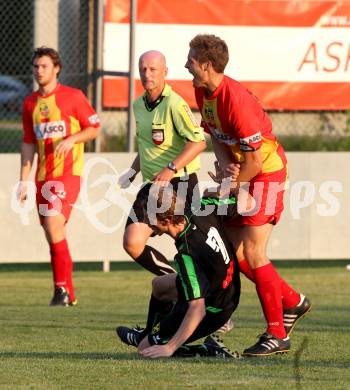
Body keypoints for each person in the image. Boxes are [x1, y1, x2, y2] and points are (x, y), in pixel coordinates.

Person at [185, 34, 312, 356]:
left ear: (207, 65)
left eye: (191, 60)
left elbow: (255, 162)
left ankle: (277, 334)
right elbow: (214, 135)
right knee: (234, 253)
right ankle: (293, 302)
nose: (186, 65)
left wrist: (232, 185)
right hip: (246, 172)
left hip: (266, 173)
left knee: (255, 253)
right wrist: (227, 167)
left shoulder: (237, 102)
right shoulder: (202, 92)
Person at [116, 185, 241, 359]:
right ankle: (150, 334)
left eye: (149, 217)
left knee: (144, 349)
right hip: (228, 290)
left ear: (165, 221)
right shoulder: (202, 207)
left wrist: (170, 347)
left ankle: (206, 350)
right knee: (159, 285)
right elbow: (247, 203)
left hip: (214, 309)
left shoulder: (187, 255)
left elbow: (197, 309)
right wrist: (231, 186)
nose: (146, 222)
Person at [17, 47, 100, 306]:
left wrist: (73, 139)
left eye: (44, 66)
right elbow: (29, 142)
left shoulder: (73, 97)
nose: (39, 71)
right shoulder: (30, 102)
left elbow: (94, 128)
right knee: (53, 232)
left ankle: (61, 291)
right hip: (43, 176)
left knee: (53, 224)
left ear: (56, 69)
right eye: (36, 66)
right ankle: (66, 293)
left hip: (68, 174)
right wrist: (23, 180)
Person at [118, 50, 206, 276]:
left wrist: (170, 168)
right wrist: (133, 171)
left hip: (180, 183)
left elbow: (198, 143)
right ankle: (175, 282)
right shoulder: (139, 105)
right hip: (153, 185)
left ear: (165, 72)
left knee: (188, 244)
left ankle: (201, 297)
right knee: (132, 242)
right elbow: (146, 145)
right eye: (143, 69)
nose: (147, 74)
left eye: (153, 69)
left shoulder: (175, 104)